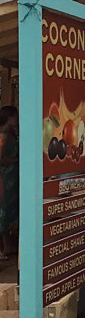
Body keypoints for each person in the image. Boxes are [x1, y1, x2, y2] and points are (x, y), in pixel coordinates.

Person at [0, 105, 19, 259]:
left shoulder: (12, 134)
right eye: (15, 116)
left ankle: (8, 245)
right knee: (4, 210)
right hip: (6, 177)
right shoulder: (3, 136)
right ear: (9, 118)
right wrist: (16, 160)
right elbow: (1, 159)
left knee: (11, 210)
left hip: (13, 177)